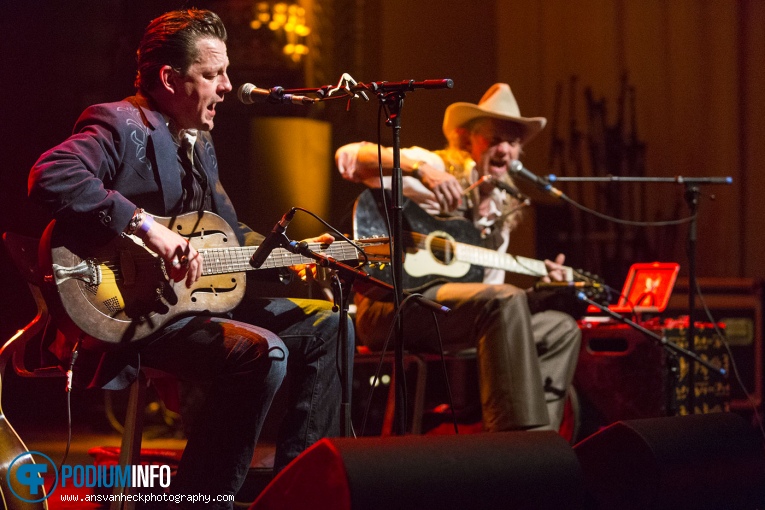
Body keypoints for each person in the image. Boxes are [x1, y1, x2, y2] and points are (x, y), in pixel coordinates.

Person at [28, 9, 350, 508]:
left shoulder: (200, 141)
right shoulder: (119, 123)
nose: (227, 86)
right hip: (131, 311)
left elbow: (223, 233)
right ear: (169, 79)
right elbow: (51, 174)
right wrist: (148, 228)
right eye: (212, 74)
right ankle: (202, 499)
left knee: (332, 327)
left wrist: (292, 253)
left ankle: (301, 491)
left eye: (225, 73)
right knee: (261, 352)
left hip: (190, 306)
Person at [336, 83, 580, 433]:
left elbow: (489, 295)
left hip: (450, 314)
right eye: (495, 138)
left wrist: (541, 286)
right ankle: (513, 443)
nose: (505, 150)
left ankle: (541, 442)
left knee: (560, 328)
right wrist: (420, 169)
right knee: (504, 302)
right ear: (469, 140)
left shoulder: (499, 214)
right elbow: (347, 157)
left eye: (513, 143)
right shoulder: (436, 168)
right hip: (391, 307)